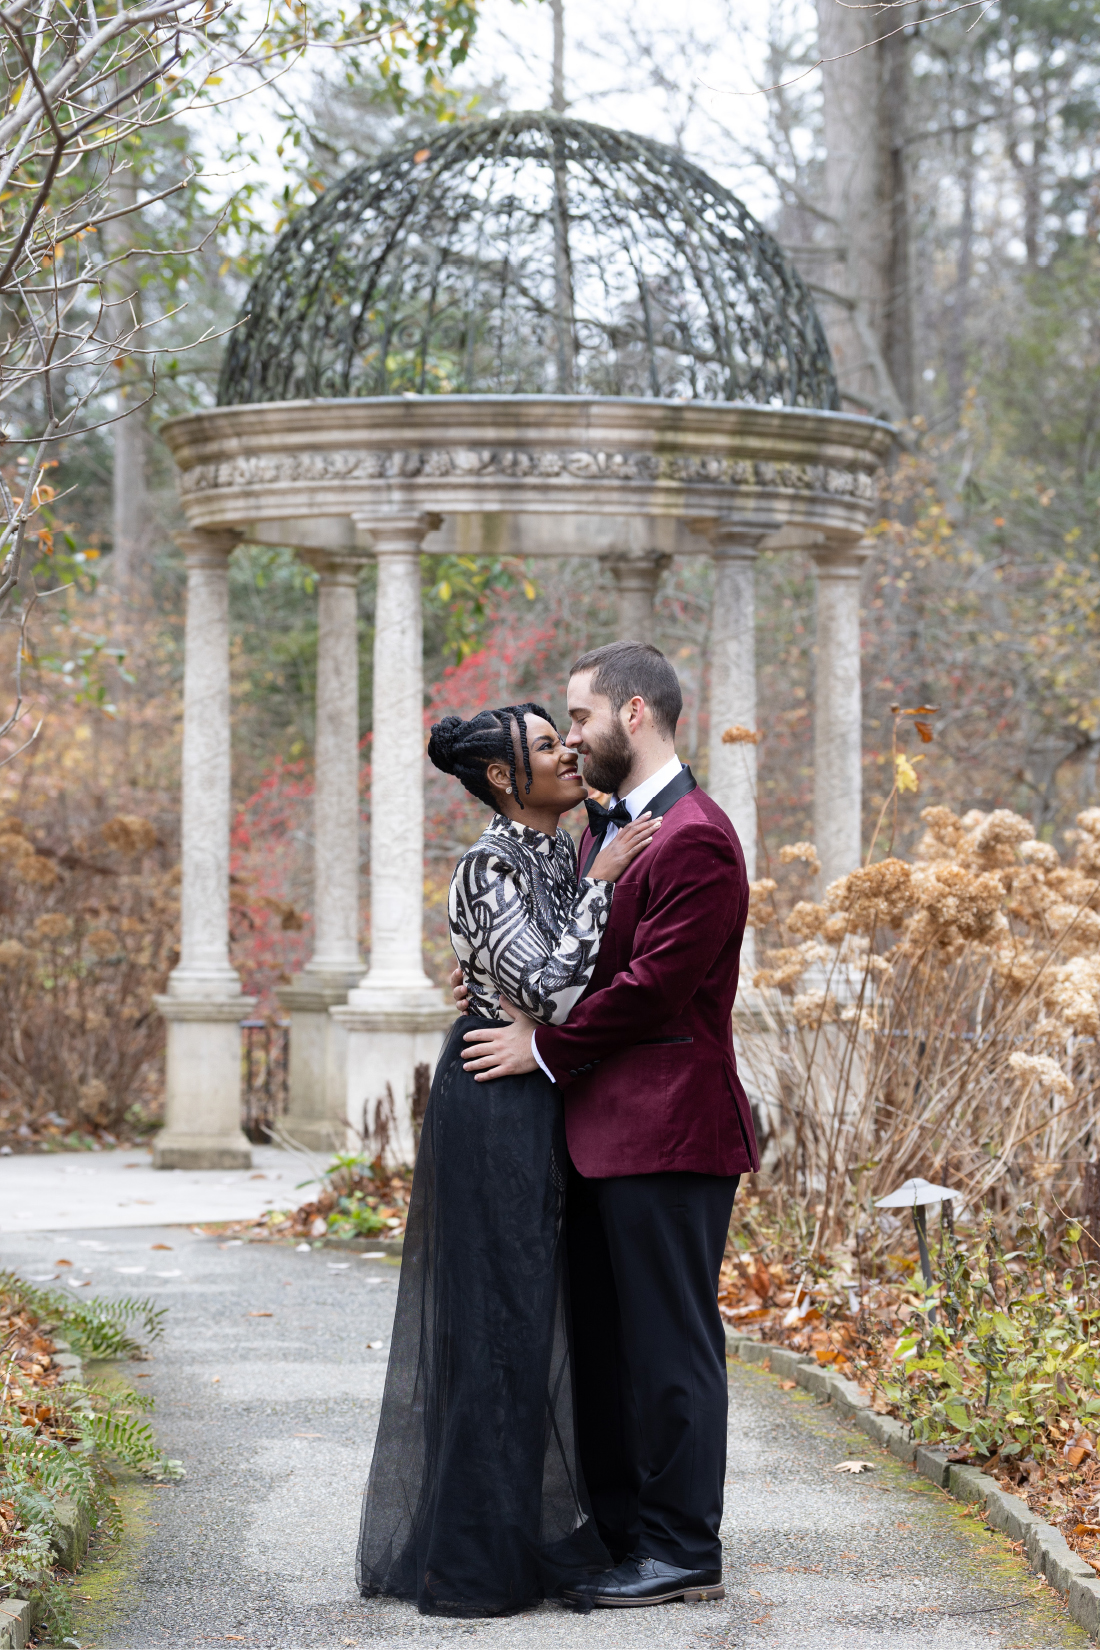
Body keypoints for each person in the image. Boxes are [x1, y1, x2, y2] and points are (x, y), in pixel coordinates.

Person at [459, 642, 759, 1609]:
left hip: (672, 1132)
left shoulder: (697, 836)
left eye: (580, 718)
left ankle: (683, 1550)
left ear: (635, 714)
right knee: (608, 1346)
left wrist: (540, 1049)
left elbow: (651, 991)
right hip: (598, 1133)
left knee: (670, 1347)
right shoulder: (608, 833)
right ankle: (628, 1529)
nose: (572, 737)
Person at [356, 700, 662, 1618]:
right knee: (498, 1321)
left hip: (544, 1094)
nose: (567, 751)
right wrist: (604, 880)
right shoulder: (491, 861)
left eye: (562, 735)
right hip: (495, 1100)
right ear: (502, 779)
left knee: (541, 1318)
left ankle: (530, 1531)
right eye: (543, 746)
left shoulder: (556, 850)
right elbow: (551, 990)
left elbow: (549, 974)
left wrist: (588, 880)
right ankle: (475, 1560)